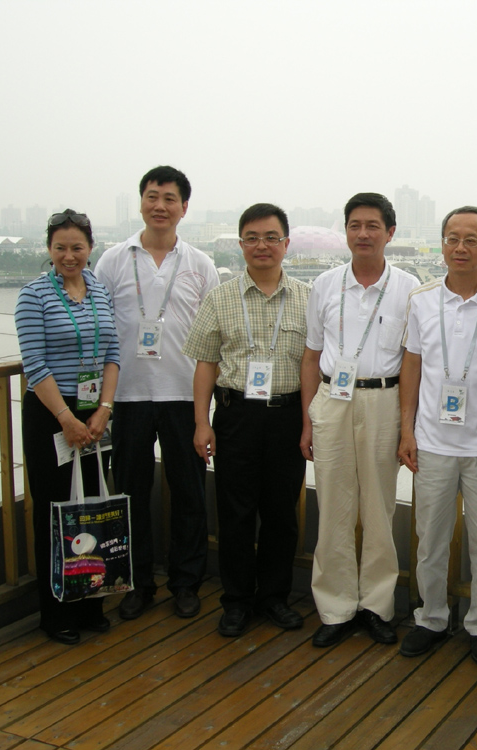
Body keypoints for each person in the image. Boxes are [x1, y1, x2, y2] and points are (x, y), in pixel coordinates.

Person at [397, 207, 477, 667]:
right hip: (431, 442)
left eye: (471, 239)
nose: (460, 248)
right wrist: (406, 429)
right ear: (442, 244)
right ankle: (430, 618)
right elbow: (412, 367)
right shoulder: (421, 299)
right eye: (452, 238)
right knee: (429, 539)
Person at [95, 166, 219, 621]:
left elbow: (211, 337)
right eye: (152, 196)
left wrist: (205, 410)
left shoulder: (200, 264)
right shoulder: (113, 259)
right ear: (141, 202)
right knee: (130, 494)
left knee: (189, 494)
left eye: (169, 198)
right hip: (127, 396)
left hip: (185, 397)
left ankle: (186, 583)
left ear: (184, 208)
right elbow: (100, 328)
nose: (160, 206)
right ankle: (138, 583)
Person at [182, 203, 309, 638]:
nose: (262, 245)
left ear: (286, 244)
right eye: (252, 238)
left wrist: (309, 423)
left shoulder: (308, 298)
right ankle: (236, 601)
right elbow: (205, 364)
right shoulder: (219, 297)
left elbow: (313, 365)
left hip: (287, 415)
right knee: (234, 513)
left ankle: (273, 597)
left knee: (281, 514)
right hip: (235, 416)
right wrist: (202, 423)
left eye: (271, 237)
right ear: (240, 244)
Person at [301, 192, 419, 648]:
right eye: (355, 225)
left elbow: (412, 362)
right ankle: (335, 608)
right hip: (333, 399)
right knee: (332, 506)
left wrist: (407, 426)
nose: (363, 234)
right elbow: (311, 356)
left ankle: (376, 605)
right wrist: (308, 420)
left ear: (390, 233)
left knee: (379, 507)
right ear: (345, 232)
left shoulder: (409, 288)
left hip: (383, 400)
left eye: (373, 226)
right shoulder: (324, 285)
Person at [16, 210, 120, 644]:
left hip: (94, 414)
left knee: (91, 505)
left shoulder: (99, 290)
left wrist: (104, 409)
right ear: (49, 249)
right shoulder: (33, 296)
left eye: (77, 247)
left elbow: (113, 353)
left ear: (90, 248)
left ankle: (90, 601)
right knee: (55, 510)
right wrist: (66, 418)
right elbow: (35, 365)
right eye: (60, 247)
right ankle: (56, 611)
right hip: (51, 414)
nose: (69, 255)